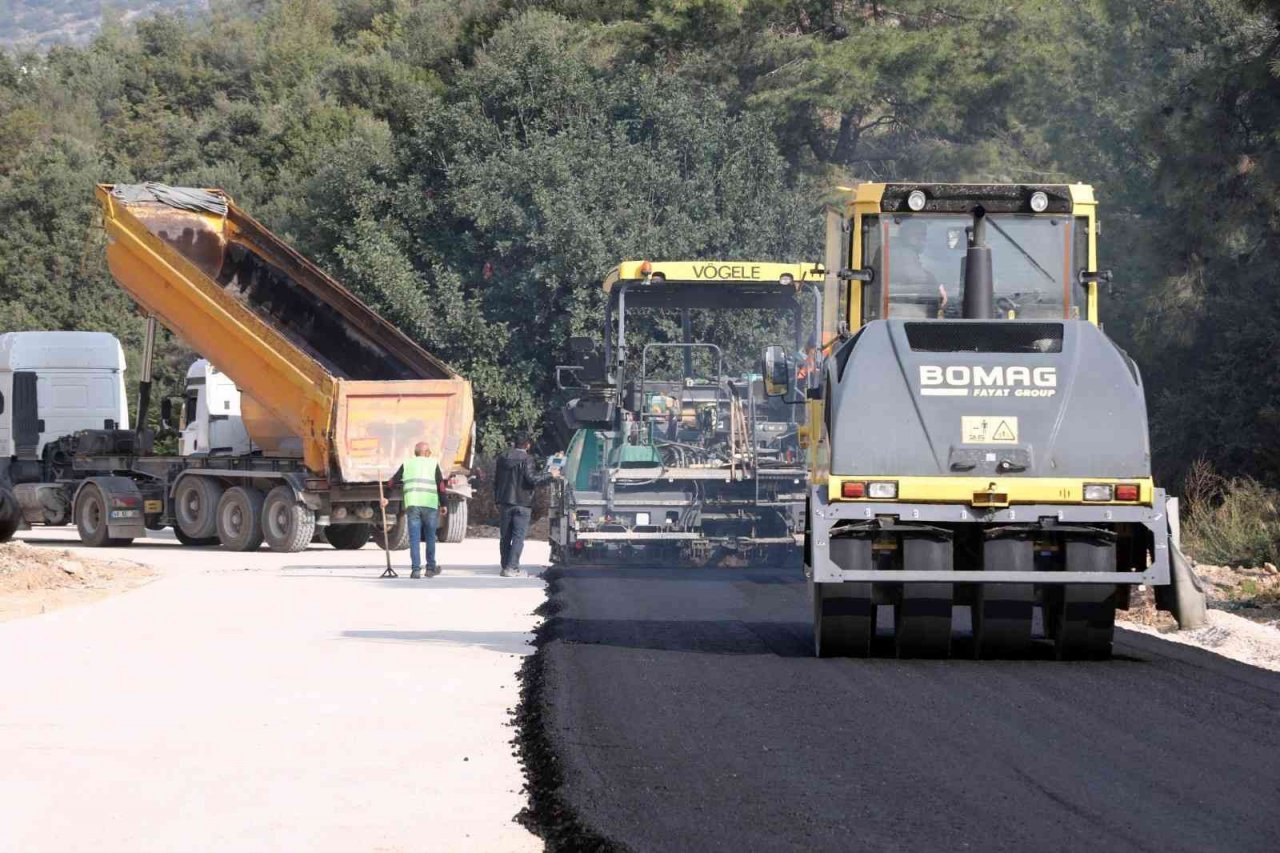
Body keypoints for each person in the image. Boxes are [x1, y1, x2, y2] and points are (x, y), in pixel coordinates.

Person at [493, 433, 558, 577]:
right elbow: (532, 479)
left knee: (505, 537)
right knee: (518, 537)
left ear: (514, 443)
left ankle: (505, 567)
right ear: (527, 445)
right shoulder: (527, 459)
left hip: (505, 502)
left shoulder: (502, 458)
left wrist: (497, 500)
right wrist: (550, 475)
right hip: (522, 503)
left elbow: (496, 481)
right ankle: (512, 568)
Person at [386, 441, 448, 579]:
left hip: (412, 505)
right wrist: (444, 504)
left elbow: (392, 481)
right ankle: (430, 568)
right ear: (425, 452)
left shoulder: (408, 464)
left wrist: (386, 497)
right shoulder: (432, 464)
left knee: (414, 538)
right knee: (430, 537)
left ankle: (415, 570)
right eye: (429, 451)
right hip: (430, 505)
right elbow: (441, 486)